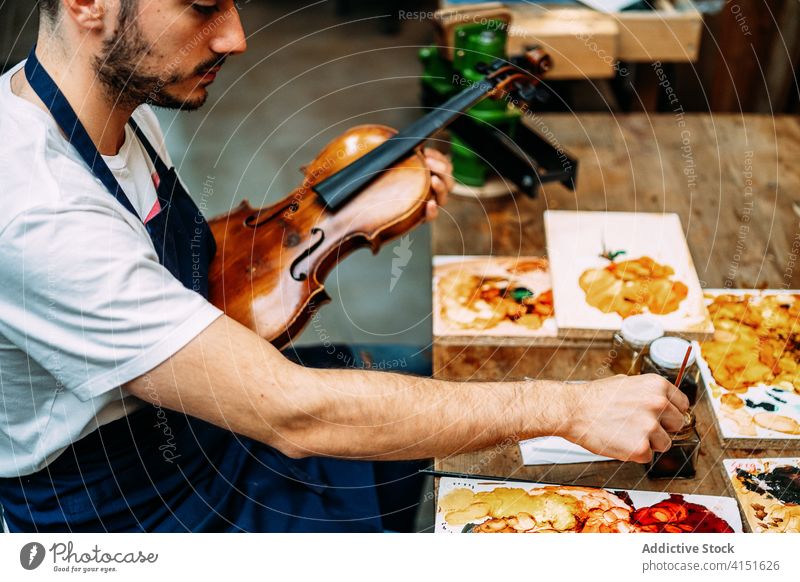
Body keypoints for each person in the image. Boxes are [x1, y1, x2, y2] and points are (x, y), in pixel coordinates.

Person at [0, 0, 689, 533]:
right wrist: (567, 407)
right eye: (202, 5)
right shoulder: (38, 216)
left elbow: (162, 264)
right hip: (137, 508)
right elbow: (291, 414)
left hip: (199, 421)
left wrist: (333, 215)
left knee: (430, 376)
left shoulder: (118, 107)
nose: (235, 36)